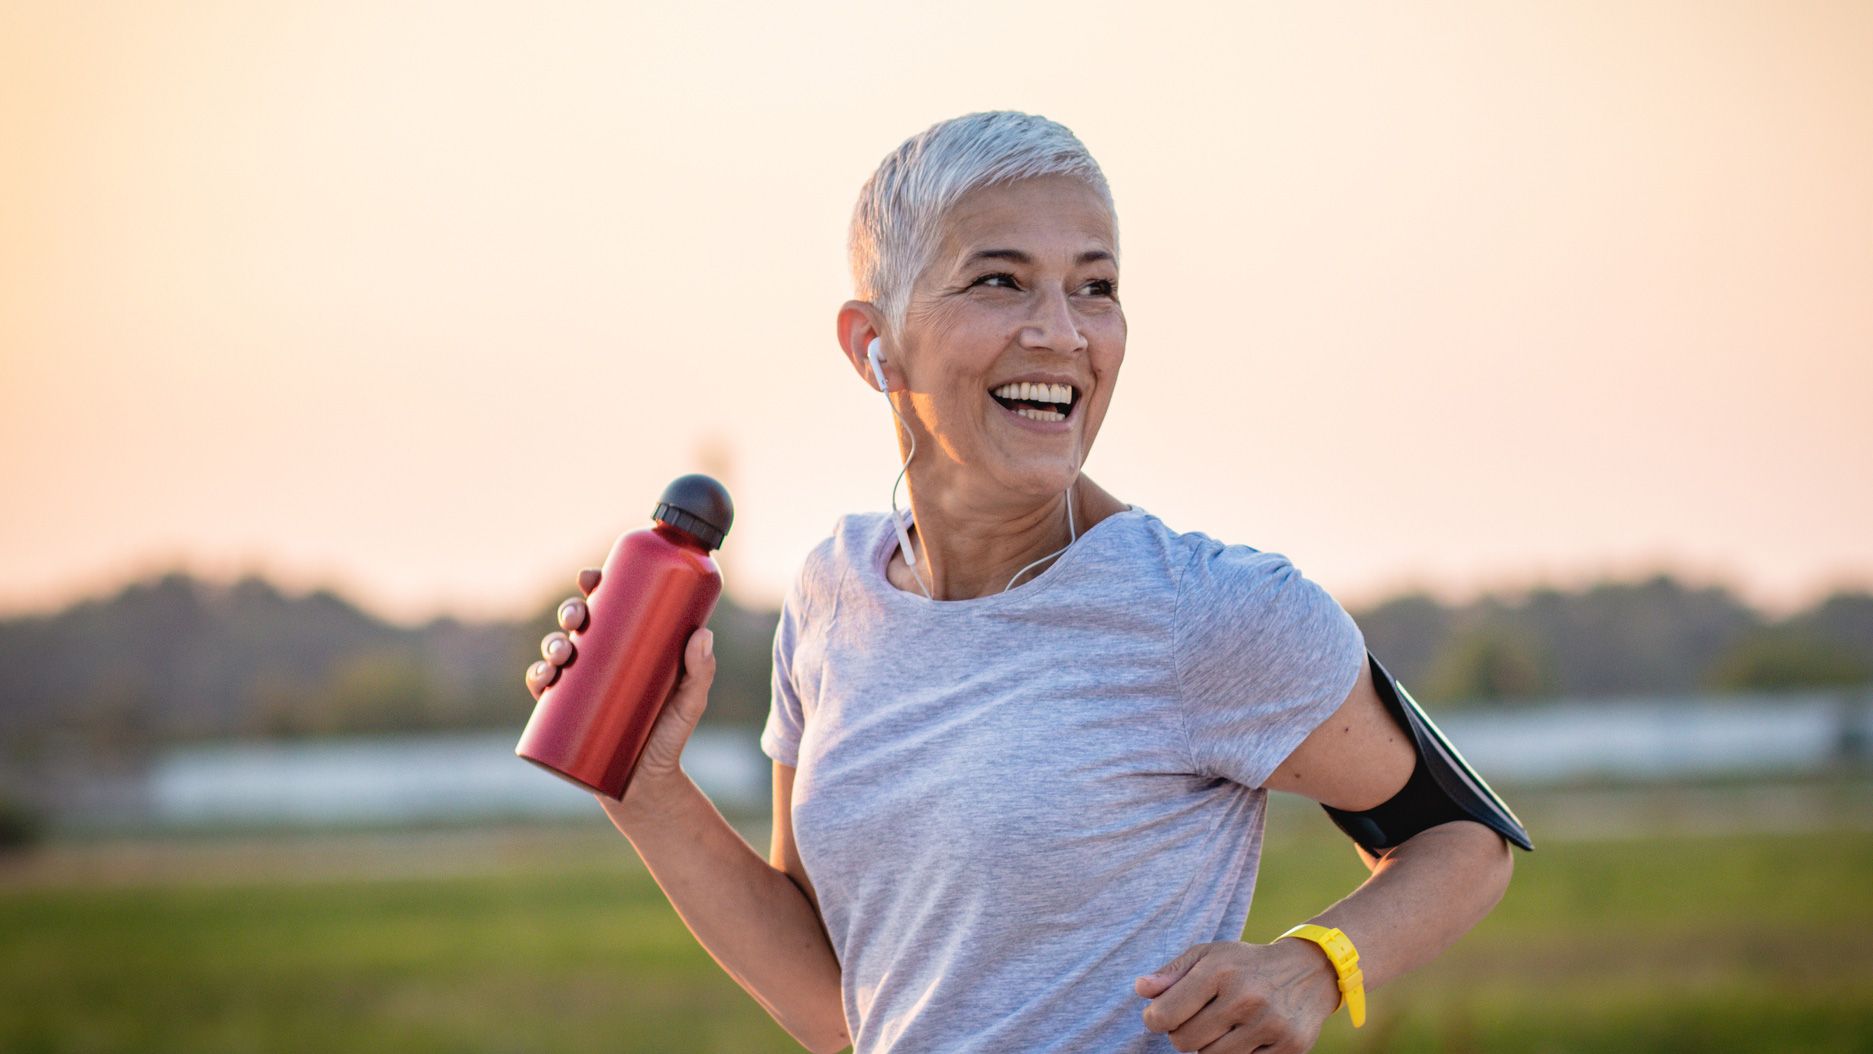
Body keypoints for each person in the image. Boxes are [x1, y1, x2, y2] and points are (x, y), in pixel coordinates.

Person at [525, 111, 1518, 1054]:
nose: (1062, 332)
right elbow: (834, 1001)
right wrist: (646, 788)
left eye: (1094, 287)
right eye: (999, 282)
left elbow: (1463, 836)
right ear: (872, 341)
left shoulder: (1207, 610)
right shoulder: (834, 593)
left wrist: (1314, 964)